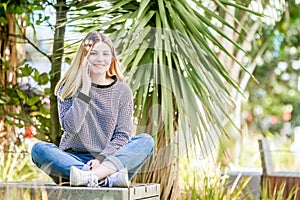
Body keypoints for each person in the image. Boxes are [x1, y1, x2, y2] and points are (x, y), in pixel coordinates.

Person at [31, 31, 154, 187]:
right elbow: (71, 126)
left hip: (109, 162)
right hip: (72, 162)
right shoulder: (68, 87)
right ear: (84, 57)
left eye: (105, 54)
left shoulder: (122, 91)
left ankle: (93, 177)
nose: (100, 59)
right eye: (94, 53)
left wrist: (101, 161)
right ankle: (105, 180)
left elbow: (122, 136)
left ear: (112, 58)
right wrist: (85, 89)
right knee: (38, 149)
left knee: (146, 141)